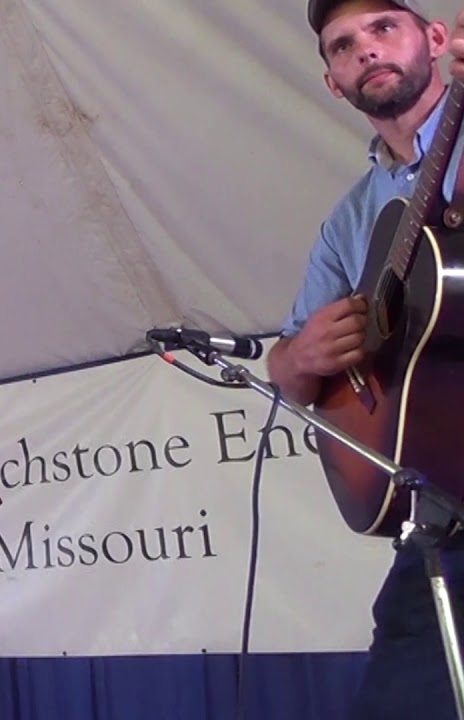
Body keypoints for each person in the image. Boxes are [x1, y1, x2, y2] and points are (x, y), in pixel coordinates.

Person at [269, 2, 464, 717]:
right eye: (344, 45)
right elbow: (287, 373)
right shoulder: (349, 220)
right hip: (440, 514)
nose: (367, 50)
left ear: (437, 39)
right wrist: (302, 354)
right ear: (333, 82)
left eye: (385, 27)